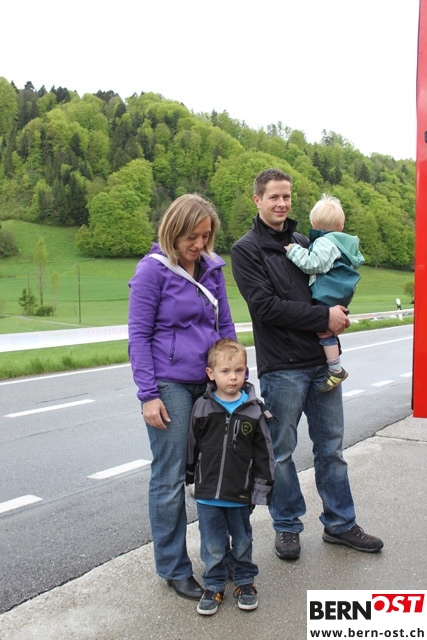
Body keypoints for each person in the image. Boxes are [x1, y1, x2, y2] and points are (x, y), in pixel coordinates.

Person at [230, 168, 383, 561]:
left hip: (320, 362)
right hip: (282, 366)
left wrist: (339, 311)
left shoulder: (304, 242)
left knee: (332, 449)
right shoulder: (246, 250)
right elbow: (265, 308)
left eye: (287, 196)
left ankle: (340, 523)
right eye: (274, 197)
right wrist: (323, 318)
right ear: (257, 200)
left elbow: (328, 287)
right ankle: (287, 526)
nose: (282, 203)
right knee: (281, 452)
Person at [128, 194, 237, 600]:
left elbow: (225, 325)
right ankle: (174, 567)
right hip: (169, 385)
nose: (199, 244)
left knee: (215, 474)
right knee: (170, 476)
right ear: (173, 232)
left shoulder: (212, 268)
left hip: (210, 382)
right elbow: (138, 337)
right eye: (192, 237)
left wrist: (235, 376)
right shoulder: (151, 271)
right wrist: (148, 395)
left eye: (206, 236)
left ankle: (219, 558)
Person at [186, 338, 274, 616]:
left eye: (239, 370)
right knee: (212, 543)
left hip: (240, 492)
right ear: (211, 374)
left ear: (246, 371)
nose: (233, 377)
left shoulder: (255, 410)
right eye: (225, 371)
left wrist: (261, 489)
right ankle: (213, 584)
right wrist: (190, 477)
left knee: (243, 539)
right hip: (208, 493)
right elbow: (192, 445)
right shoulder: (202, 407)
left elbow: (265, 454)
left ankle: (245, 581)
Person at [284, 193, 365, 393]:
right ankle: (335, 366)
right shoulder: (343, 243)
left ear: (314, 224)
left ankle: (335, 369)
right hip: (339, 292)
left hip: (327, 293)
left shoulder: (325, 242)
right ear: (341, 226)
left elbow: (314, 264)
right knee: (328, 328)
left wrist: (294, 250)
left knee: (324, 330)